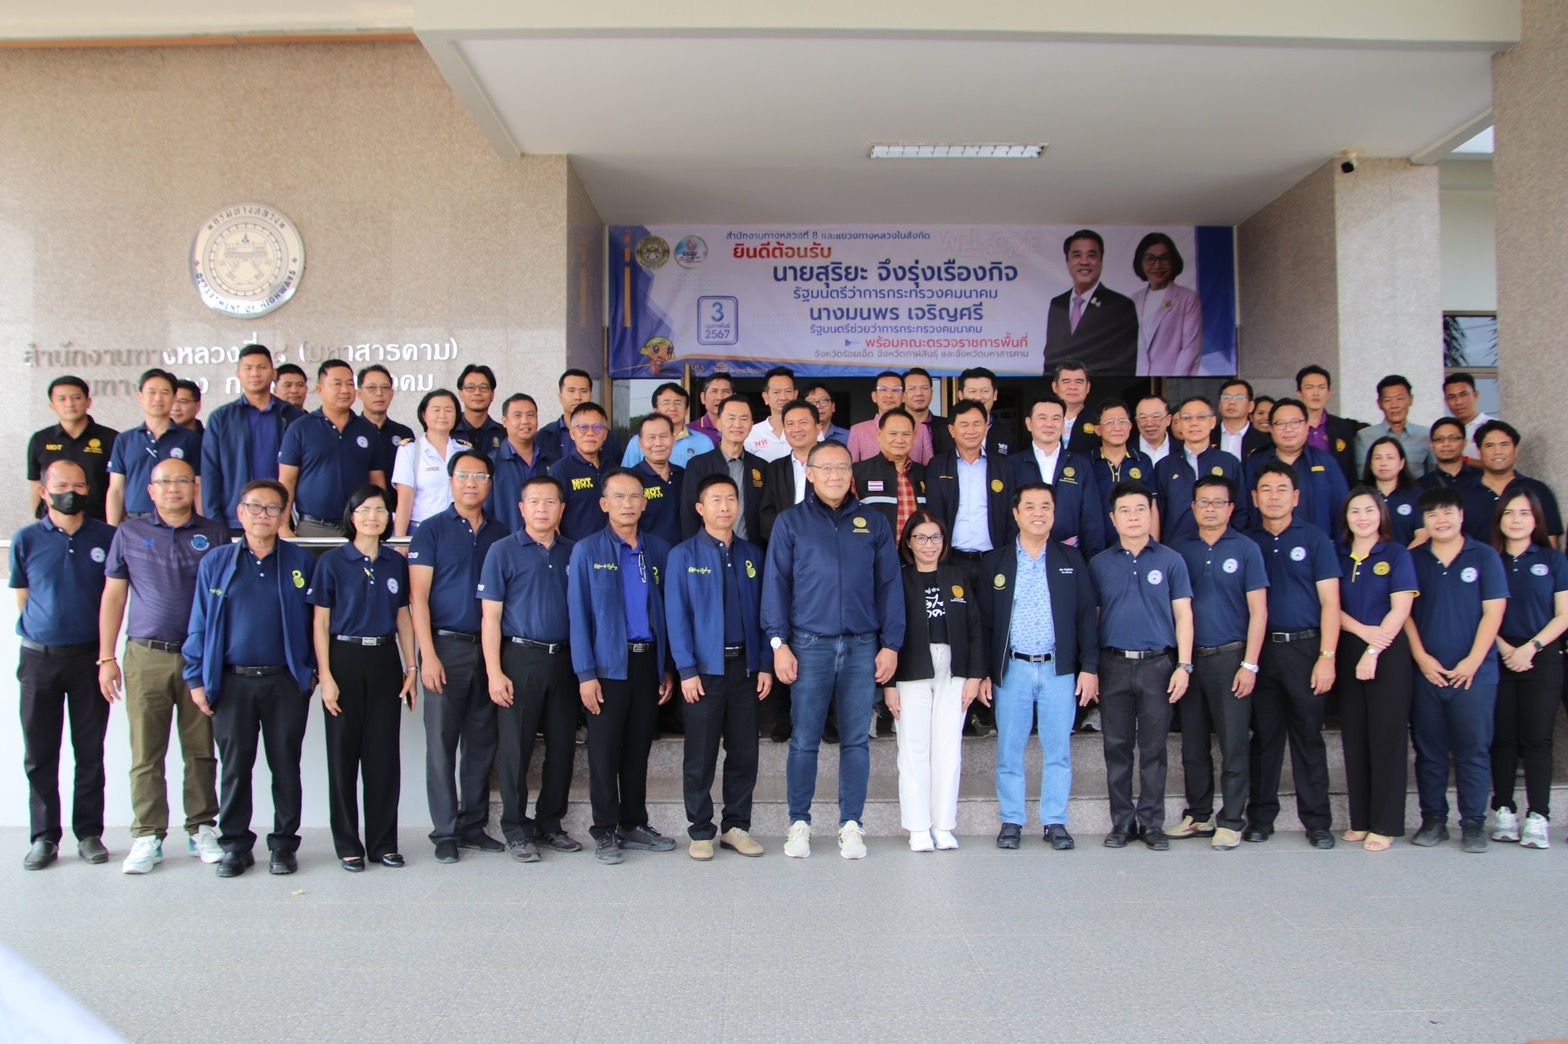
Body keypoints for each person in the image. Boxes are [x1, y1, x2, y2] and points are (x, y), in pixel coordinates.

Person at [763, 440, 903, 860]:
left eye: (842, 467)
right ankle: (799, 824)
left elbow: (889, 584)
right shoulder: (791, 522)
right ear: (810, 473)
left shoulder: (873, 522)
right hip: (809, 645)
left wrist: (891, 644)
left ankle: (851, 824)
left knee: (856, 740)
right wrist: (779, 643)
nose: (835, 475)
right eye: (826, 468)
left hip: (863, 645)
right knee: (804, 739)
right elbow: (776, 584)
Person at [98, 458, 228, 874]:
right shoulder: (129, 533)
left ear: (195, 487)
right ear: (150, 490)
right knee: (146, 752)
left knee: (201, 749)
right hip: (145, 655)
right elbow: (114, 596)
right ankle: (147, 835)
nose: (174, 488)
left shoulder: (215, 533)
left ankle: (201, 827)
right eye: (165, 482)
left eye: (182, 481)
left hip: (199, 658)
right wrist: (106, 657)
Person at [182, 480, 316, 877]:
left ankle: (284, 844)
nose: (263, 514)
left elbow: (317, 622)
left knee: (285, 766)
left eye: (272, 508)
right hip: (231, 683)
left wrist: (310, 672)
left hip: (285, 683)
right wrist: (195, 678)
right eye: (255, 507)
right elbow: (199, 623)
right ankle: (236, 846)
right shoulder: (217, 562)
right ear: (240, 513)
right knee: (235, 768)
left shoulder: (300, 561)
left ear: (283, 515)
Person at [977, 483, 1098, 851]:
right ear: (1016, 514)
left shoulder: (1070, 559)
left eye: (1046, 506)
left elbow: (1086, 615)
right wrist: (984, 672)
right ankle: (1012, 820)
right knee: (1009, 749)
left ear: (1054, 513)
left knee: (1058, 749)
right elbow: (983, 623)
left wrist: (1089, 667)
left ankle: (1054, 821)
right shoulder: (995, 562)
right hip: (1012, 669)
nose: (1038, 513)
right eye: (1029, 506)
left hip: (1058, 670)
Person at [568, 469, 678, 865]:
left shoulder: (659, 550)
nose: (627, 504)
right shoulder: (587, 551)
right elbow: (578, 617)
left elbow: (667, 613)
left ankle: (634, 824)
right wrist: (585, 675)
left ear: (645, 503)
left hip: (647, 662)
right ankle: (605, 830)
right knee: (603, 752)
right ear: (604, 504)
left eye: (634, 496)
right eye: (618, 496)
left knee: (637, 749)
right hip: (606, 667)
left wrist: (666, 667)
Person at [12, 460, 117, 871]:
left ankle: (89, 833)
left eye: (78, 484)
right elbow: (23, 596)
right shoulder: (26, 539)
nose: (70, 492)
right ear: (44, 491)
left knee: (89, 751)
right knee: (40, 753)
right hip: (39, 659)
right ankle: (44, 837)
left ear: (88, 489)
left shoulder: (106, 537)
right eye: (60, 485)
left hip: (90, 658)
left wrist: (105, 655)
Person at [308, 484, 416, 872]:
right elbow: (320, 623)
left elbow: (403, 617)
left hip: (384, 659)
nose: (373, 517)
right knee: (343, 756)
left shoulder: (394, 563)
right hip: (344, 659)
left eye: (381, 510)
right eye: (365, 510)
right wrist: (326, 675)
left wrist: (411, 667)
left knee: (383, 756)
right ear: (351, 516)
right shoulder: (332, 563)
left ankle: (384, 843)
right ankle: (348, 845)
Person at [408, 452, 509, 863]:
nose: (471, 482)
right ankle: (445, 832)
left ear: (490, 483)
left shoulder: (500, 532)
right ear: (450, 481)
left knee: (482, 742)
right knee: (441, 744)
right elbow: (417, 597)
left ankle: (472, 825)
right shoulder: (431, 530)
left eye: (479, 476)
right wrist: (428, 655)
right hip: (445, 648)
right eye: (464, 475)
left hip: (489, 650)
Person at [665, 473, 773, 860]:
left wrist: (765, 664)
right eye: (715, 500)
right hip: (704, 672)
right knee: (701, 755)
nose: (725, 506)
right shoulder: (683, 555)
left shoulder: (752, 554)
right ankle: (700, 830)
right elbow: (676, 616)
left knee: (744, 754)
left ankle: (736, 827)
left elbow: (765, 613)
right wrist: (686, 670)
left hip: (745, 669)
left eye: (731, 499)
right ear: (700, 508)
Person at [478, 474, 582, 862]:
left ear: (562, 509)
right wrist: (494, 672)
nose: (542, 509)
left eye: (550, 502)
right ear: (522, 508)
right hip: (520, 658)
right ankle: (516, 828)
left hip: (565, 660)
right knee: (516, 749)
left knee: (562, 746)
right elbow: (490, 618)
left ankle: (549, 824)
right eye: (534, 502)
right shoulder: (502, 551)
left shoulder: (575, 552)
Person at [1088, 481, 1193, 850]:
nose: (1133, 517)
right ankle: (1121, 823)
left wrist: (1184, 665)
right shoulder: (1099, 564)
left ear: (1151, 515)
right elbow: (1092, 620)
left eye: (1140, 509)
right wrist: (1091, 668)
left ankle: (1151, 823)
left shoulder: (1171, 560)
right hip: (1113, 665)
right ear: (1113, 519)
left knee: (1153, 749)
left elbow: (1184, 616)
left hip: (1158, 665)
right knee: (1116, 747)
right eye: (1125, 511)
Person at [1242, 462, 1341, 848]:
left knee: (1308, 736)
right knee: (1264, 738)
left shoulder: (1315, 539)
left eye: (1281, 489)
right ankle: (1260, 817)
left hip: (1305, 648)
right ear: (1254, 498)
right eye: (1265, 490)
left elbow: (1331, 603)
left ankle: (1317, 821)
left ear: (1296, 497)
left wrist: (1327, 656)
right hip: (1261, 650)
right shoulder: (1247, 542)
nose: (1274, 497)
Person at [1404, 487, 1507, 853]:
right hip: (1427, 673)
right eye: (1432, 514)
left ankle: (1474, 823)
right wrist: (1421, 657)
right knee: (1429, 751)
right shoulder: (1412, 559)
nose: (1441, 520)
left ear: (1461, 516)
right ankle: (1433, 819)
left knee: (1473, 749)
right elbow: (1404, 614)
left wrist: (1473, 660)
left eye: (1447, 512)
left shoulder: (1484, 556)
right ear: (1423, 521)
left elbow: (1493, 612)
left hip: (1475, 675)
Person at [1169, 476, 1268, 850]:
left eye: (1218, 502)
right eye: (1203, 502)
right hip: (1190, 661)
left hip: (1231, 658)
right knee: (1193, 744)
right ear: (1192, 507)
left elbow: (1259, 611)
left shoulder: (1246, 549)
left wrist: (1250, 664)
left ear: (1231, 508)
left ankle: (1231, 820)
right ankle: (1198, 814)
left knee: (1233, 743)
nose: (1210, 508)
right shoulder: (1179, 550)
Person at [885, 513, 981, 852]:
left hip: (954, 669)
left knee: (948, 749)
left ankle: (943, 825)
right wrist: (889, 684)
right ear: (909, 543)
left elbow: (974, 627)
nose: (929, 545)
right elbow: (888, 631)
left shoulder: (957, 576)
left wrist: (975, 675)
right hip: (911, 668)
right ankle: (918, 827)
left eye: (936, 537)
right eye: (921, 538)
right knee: (913, 750)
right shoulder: (898, 578)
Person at [1335, 487, 1418, 851]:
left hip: (1387, 649)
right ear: (1346, 517)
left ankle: (1385, 824)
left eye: (1369, 510)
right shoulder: (1336, 554)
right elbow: (1328, 604)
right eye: (1355, 511)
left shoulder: (1396, 554)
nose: (1362, 517)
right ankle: (1361, 819)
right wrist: (1360, 632)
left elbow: (1401, 608)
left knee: (1387, 736)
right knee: (1355, 735)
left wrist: (1373, 648)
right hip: (1349, 644)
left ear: (1381, 515)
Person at [1488, 488, 1568, 849]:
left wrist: (1531, 647)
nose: (1516, 520)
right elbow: (1480, 613)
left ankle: (1538, 815)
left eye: (1523, 513)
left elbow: (1563, 614)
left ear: (1536, 520)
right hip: (1499, 655)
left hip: (1542, 656)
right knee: (1502, 737)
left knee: (1538, 738)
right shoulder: (1490, 559)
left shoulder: (1552, 559)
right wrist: (1505, 647)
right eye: (1509, 513)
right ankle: (1504, 809)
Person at [277, 360, 390, 538]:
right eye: (337, 384)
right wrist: (283, 525)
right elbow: (287, 481)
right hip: (313, 527)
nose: (345, 390)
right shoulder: (300, 428)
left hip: (358, 527)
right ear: (320, 389)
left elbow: (377, 481)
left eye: (349, 384)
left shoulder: (368, 430)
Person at [200, 345, 305, 533]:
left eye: (261, 367)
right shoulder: (221, 418)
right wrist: (214, 521)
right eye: (248, 368)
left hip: (279, 519)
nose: (255, 373)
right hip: (235, 520)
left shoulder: (293, 416)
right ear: (238, 374)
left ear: (273, 373)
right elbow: (210, 473)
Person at [1006, 393, 1103, 557]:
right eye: (1042, 418)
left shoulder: (1080, 465)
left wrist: (1092, 558)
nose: (1049, 424)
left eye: (1056, 418)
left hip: (1070, 553)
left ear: (1063, 424)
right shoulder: (1011, 465)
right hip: (1022, 554)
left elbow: (1091, 518)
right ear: (1029, 423)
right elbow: (1006, 516)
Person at [105, 368, 203, 525]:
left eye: (164, 392)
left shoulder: (190, 439)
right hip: (135, 520)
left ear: (173, 397)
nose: (158, 398)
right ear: (140, 396)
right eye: (151, 392)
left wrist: (201, 524)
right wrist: (112, 530)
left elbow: (198, 486)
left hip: (178, 519)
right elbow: (116, 490)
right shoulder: (125, 440)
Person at [1245, 398, 1349, 536]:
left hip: (1316, 546)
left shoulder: (1325, 462)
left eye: (1295, 422)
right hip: (1266, 545)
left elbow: (1342, 509)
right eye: (1280, 423)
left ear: (1307, 426)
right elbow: (1245, 509)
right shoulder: (1256, 462)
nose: (1288, 429)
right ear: (1271, 429)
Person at [1153, 395, 1247, 544]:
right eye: (1187, 418)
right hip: (1176, 549)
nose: (1194, 423)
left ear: (1212, 422)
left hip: (1221, 549)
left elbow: (1241, 511)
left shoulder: (1229, 463)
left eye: (1201, 417)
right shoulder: (1164, 466)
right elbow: (1158, 514)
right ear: (1179, 424)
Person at [1043, 229, 1138, 377]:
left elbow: (1125, 365)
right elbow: (1050, 361)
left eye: (1091, 255)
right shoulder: (1057, 304)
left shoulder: (1121, 306)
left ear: (1101, 261)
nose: (1084, 261)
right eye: (1077, 255)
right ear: (1068, 262)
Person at [27, 377, 119, 523]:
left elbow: (118, 487)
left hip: (98, 522)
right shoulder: (40, 439)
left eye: (76, 397)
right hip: (53, 523)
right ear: (52, 405)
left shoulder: (111, 438)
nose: (69, 404)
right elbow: (35, 483)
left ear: (88, 402)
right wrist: (39, 524)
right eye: (62, 399)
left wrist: (112, 527)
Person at [1463, 420, 1563, 545]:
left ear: (1515, 450)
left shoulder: (1538, 490)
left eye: (1504, 444)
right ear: (1479, 452)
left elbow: (1550, 541)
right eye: (1489, 445)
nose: (1497, 451)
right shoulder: (1462, 494)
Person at [681, 395, 765, 543]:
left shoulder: (761, 467)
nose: (737, 424)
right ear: (719, 423)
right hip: (707, 550)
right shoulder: (698, 465)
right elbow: (689, 514)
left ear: (752, 425)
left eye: (744, 419)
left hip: (749, 551)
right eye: (731, 418)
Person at [392, 389, 470, 537]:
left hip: (459, 529)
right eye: (436, 410)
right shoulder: (410, 450)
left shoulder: (466, 451)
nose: (442, 415)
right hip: (421, 529)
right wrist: (400, 540)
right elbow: (404, 500)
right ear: (424, 415)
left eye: (449, 410)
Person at [1130, 232, 1203, 376]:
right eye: (1150, 259)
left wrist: (1172, 381)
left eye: (1164, 258)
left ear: (1173, 261)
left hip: (1171, 380)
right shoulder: (1133, 300)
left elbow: (1190, 349)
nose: (1157, 265)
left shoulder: (1188, 298)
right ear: (1141, 262)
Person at [852, 407, 927, 540]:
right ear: (879, 434)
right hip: (876, 551)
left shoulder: (926, 474)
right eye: (893, 433)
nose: (899, 440)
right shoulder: (858, 473)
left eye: (906, 434)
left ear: (914, 436)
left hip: (918, 551)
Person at [487, 393, 557, 534]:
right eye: (517, 415)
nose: (525, 421)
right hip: (505, 542)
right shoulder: (490, 464)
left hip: (545, 541)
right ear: (505, 421)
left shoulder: (552, 462)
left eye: (530, 415)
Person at [548, 401, 614, 541]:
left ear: (605, 434)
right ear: (572, 433)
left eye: (597, 427)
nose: (590, 433)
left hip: (611, 549)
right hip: (575, 550)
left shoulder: (613, 469)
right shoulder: (561, 470)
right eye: (583, 427)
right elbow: (552, 520)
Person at [757, 399, 819, 543]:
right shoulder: (774, 469)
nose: (796, 429)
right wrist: (787, 537)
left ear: (818, 427)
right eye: (790, 424)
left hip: (822, 545)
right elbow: (766, 513)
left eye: (803, 422)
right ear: (784, 430)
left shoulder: (832, 465)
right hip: (784, 544)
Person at [847, 370, 933, 465]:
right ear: (874, 396)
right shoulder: (858, 431)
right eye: (883, 389)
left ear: (904, 396)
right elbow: (850, 469)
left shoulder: (921, 429)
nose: (889, 395)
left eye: (895, 390)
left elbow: (930, 468)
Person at [1294, 365, 1361, 485]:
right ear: (1299, 393)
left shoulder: (1342, 427)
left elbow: (1350, 471)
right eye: (1310, 387)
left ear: (1329, 393)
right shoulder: (1292, 427)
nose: (1316, 393)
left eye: (1321, 387)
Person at [539, 370, 623, 464]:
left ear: (590, 396)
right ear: (560, 397)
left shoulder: (608, 437)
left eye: (583, 391)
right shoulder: (544, 436)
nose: (577, 397)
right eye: (571, 391)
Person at [1355, 375, 1434, 475]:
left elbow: (1433, 474)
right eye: (1388, 400)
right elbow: (1362, 476)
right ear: (1379, 404)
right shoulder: (1364, 437)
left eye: (1400, 399)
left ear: (1411, 399)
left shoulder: (1426, 435)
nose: (1394, 405)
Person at [621, 382, 714, 467]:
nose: (672, 408)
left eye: (678, 403)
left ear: (686, 410)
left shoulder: (704, 442)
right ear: (655, 410)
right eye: (666, 403)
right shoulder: (638, 442)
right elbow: (626, 476)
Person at [629, 413, 684, 547]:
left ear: (673, 439)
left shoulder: (684, 475)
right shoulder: (631, 480)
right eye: (651, 437)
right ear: (640, 443)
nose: (658, 443)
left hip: (682, 555)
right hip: (647, 554)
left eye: (663, 436)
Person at [1362, 436, 1424, 545]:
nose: (1383, 463)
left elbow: (1422, 535)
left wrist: (1403, 556)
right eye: (1377, 458)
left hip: (1409, 555)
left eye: (1390, 457)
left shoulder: (1416, 495)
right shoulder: (1361, 496)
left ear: (1401, 463)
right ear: (1370, 464)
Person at [358, 364, 415, 461]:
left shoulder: (404, 433)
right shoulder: (350, 432)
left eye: (384, 387)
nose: (379, 393)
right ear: (359, 393)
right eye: (371, 387)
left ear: (392, 394)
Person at [958, 366, 1017, 456]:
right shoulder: (945, 434)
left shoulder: (1007, 436)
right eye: (972, 391)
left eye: (985, 391)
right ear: (961, 395)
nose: (978, 397)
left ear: (995, 394)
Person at [451, 364, 506, 455]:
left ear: (492, 395)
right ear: (461, 394)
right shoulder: (449, 431)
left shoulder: (504, 434)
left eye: (483, 387)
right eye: (470, 387)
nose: (477, 393)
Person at [746, 366, 797, 462]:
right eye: (776, 392)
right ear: (765, 397)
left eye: (788, 391)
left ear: (795, 395)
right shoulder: (751, 433)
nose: (783, 397)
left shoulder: (809, 429)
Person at [1212, 378, 1271, 463]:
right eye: (1226, 397)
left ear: (1251, 406)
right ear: (1219, 405)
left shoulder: (1264, 442)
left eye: (1239, 397)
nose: (1232, 402)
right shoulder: (1207, 437)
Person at [1419, 416, 1482, 491]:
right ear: (1431, 445)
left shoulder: (1482, 478)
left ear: (1464, 443)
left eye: (1453, 438)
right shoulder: (1421, 485)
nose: (1446, 444)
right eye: (1439, 439)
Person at [1051, 361, 1100, 456]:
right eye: (1066, 381)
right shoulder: (1041, 422)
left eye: (1079, 382)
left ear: (1088, 387)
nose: (1073, 387)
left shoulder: (1098, 422)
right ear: (1055, 387)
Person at [901, 368, 948, 458]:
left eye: (924, 388)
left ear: (932, 393)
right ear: (902, 395)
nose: (919, 393)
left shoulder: (949, 426)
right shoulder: (892, 427)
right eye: (912, 388)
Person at [1443, 371, 1494, 445]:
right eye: (1452, 397)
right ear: (1446, 401)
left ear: (1476, 395)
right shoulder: (1444, 432)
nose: (1458, 402)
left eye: (1464, 395)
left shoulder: (1494, 427)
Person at [690, 371, 734, 445]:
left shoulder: (741, 429)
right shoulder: (690, 431)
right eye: (714, 391)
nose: (719, 397)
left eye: (725, 391)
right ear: (703, 397)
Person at [1135, 394, 1173, 465]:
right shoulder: (1127, 450)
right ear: (1137, 421)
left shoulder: (1182, 450)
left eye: (1156, 416)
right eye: (1143, 417)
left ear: (1168, 420)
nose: (1149, 424)